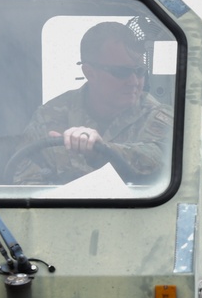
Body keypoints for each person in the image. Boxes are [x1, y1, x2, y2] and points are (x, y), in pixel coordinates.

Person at [14, 21, 173, 185]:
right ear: (90, 72)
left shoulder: (159, 117)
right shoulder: (49, 117)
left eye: (140, 71)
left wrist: (102, 151)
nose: (134, 81)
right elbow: (25, 184)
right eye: (121, 72)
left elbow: (161, 160)